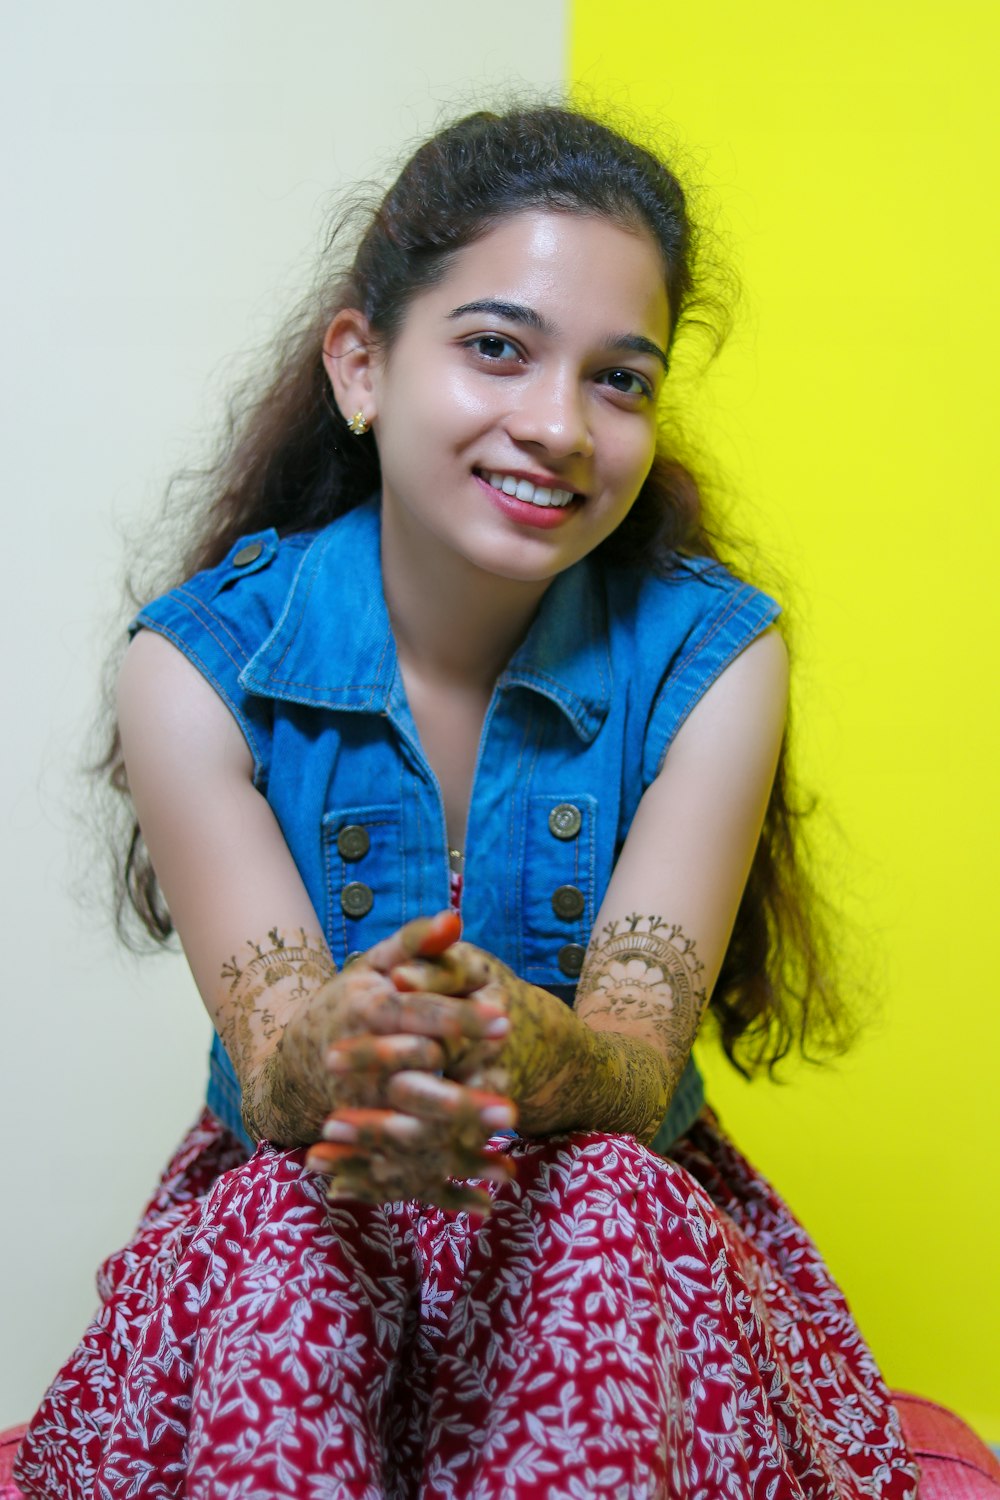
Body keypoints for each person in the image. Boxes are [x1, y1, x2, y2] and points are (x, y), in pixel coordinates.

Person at [14, 105, 919, 1499]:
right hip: (304, 1230)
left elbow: (630, 1052)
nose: (559, 427)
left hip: (603, 1239)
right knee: (288, 1220)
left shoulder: (719, 659)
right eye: (498, 347)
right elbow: (273, 1066)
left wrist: (528, 1052)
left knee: (608, 1204)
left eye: (621, 380)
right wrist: (348, 1050)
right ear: (363, 367)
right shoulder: (191, 668)